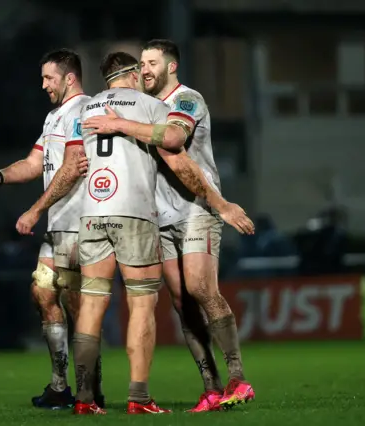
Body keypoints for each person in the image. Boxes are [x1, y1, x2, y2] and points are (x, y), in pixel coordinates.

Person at [82, 39, 256, 411]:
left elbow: (175, 139)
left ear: (171, 67)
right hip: (157, 216)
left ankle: (239, 379)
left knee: (200, 288)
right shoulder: (146, 107)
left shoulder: (186, 99)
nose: (144, 69)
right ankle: (210, 387)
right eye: (141, 63)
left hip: (196, 208)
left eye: (152, 63)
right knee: (180, 302)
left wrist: (118, 124)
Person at [0, 49, 104, 410]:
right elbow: (32, 164)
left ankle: (90, 388)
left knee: (75, 305)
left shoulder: (82, 111)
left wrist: (35, 209)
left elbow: (73, 167)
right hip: (59, 226)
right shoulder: (54, 116)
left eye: (48, 78)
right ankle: (60, 385)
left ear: (69, 77)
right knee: (42, 293)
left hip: (78, 224)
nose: (43, 85)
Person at [70, 51, 174, 416]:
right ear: (130, 74)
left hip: (92, 213)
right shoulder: (148, 104)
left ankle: (83, 399)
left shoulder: (87, 108)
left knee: (92, 304)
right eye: (140, 72)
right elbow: (173, 140)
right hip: (133, 212)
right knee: (142, 303)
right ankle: (139, 398)